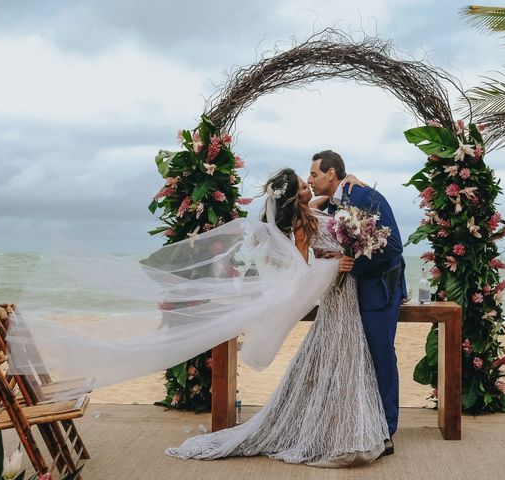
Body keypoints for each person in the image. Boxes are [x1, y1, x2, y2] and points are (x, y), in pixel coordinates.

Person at [164, 168, 390, 466]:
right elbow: (300, 269)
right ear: (295, 196)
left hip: (349, 291)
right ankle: (339, 433)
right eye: (302, 185)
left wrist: (352, 182)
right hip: (337, 292)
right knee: (342, 356)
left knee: (346, 357)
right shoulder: (300, 222)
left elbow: (328, 197)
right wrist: (335, 266)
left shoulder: (313, 208)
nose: (308, 185)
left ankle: (346, 425)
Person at [308, 150, 406, 455]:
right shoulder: (336, 201)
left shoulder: (362, 196)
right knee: (361, 359)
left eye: (314, 174)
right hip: (353, 293)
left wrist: (350, 261)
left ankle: (387, 429)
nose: (310, 180)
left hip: (379, 289)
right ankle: (366, 422)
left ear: (332, 174)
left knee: (381, 355)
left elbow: (392, 245)